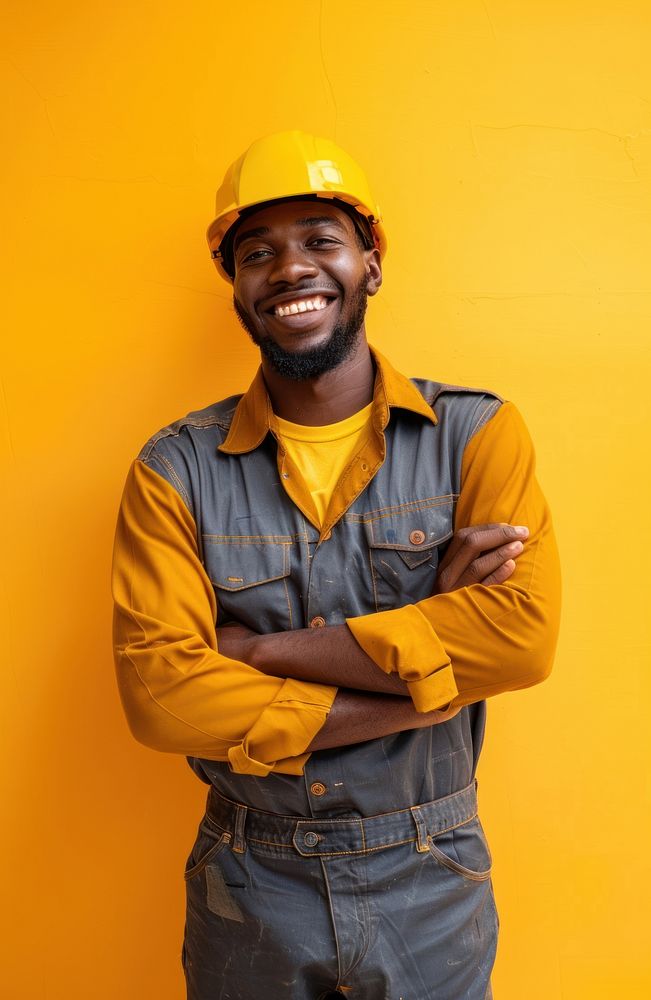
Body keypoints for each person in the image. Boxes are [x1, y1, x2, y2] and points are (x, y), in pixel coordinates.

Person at [111, 130, 560, 1000]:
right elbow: (162, 697)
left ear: (371, 262)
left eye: (321, 239)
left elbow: (519, 646)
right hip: (247, 879)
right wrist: (437, 665)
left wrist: (256, 655)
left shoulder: (476, 435)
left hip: (431, 872)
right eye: (257, 253)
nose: (289, 268)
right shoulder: (174, 469)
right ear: (234, 285)